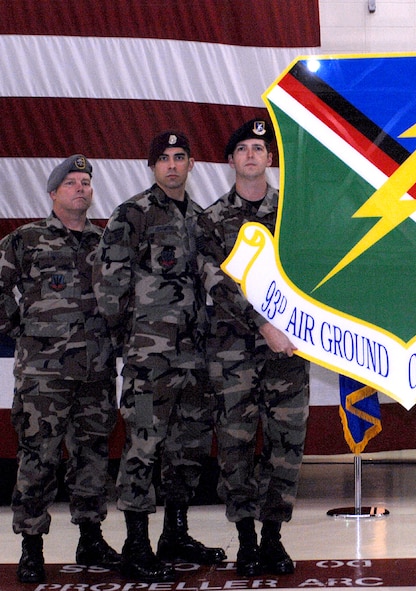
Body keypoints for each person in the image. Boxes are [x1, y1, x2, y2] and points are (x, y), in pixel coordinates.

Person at [93, 131, 226, 582]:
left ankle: (175, 532)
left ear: (192, 165)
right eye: (164, 158)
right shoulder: (132, 214)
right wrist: (132, 338)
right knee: (143, 447)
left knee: (187, 449)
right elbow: (109, 285)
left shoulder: (202, 219)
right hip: (149, 362)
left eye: (180, 157)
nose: (172, 165)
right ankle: (136, 543)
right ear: (152, 166)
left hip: (193, 358)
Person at [196, 119, 309, 576]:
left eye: (258, 148)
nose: (250, 155)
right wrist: (262, 323)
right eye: (241, 148)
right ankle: (245, 539)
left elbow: (316, 276)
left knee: (286, 445)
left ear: (269, 158)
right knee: (236, 447)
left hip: (289, 351)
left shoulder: (295, 215)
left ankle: (273, 538)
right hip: (233, 352)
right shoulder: (211, 219)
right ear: (230, 160)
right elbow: (214, 281)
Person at [0, 155, 121, 583]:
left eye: (85, 182)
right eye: (70, 182)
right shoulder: (26, 239)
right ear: (53, 193)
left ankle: (90, 538)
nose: (80, 188)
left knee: (91, 460)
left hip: (96, 373)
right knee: (39, 460)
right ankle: (31, 547)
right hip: (44, 377)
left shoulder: (105, 243)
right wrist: (19, 328)